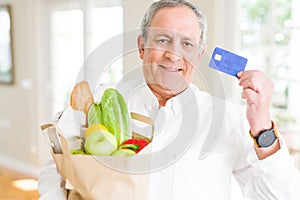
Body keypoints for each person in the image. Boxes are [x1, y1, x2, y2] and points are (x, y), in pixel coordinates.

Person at [38, 0, 300, 199]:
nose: (173, 56)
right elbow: (56, 174)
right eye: (163, 40)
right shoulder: (97, 108)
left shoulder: (228, 118)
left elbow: (281, 195)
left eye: (186, 44)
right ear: (142, 47)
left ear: (199, 55)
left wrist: (262, 126)